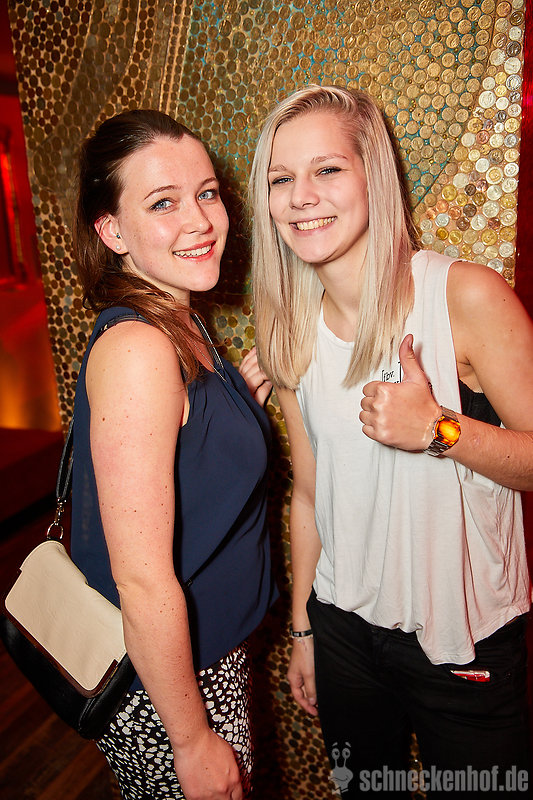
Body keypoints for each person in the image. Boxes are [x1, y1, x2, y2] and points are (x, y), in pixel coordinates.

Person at [249, 84, 533, 798]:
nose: (301, 196)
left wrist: (438, 430)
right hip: (342, 632)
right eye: (280, 179)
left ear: (373, 174)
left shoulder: (464, 297)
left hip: (461, 640)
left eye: (326, 169)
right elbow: (310, 493)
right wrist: (304, 630)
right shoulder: (286, 327)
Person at [70, 108, 276, 800]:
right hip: (171, 688)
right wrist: (190, 741)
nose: (200, 220)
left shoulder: (181, 317)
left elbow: (185, 449)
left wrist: (237, 401)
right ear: (112, 231)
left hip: (207, 659)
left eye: (206, 192)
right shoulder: (139, 348)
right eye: (163, 203)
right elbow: (140, 580)